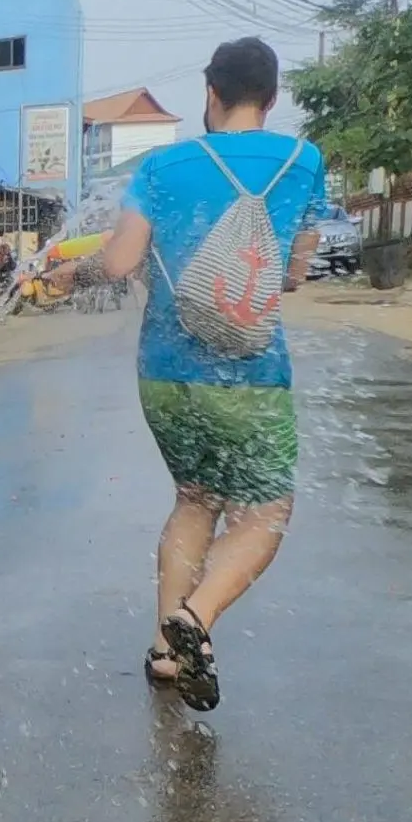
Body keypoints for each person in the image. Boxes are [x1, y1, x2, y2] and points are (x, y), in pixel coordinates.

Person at [50, 37, 325, 713]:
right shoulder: (303, 161)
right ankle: (196, 620)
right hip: (251, 371)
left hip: (166, 370)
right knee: (264, 512)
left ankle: (167, 652)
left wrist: (66, 275)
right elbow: (291, 273)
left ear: (210, 92)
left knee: (194, 498)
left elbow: (116, 264)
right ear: (272, 94)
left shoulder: (165, 166)